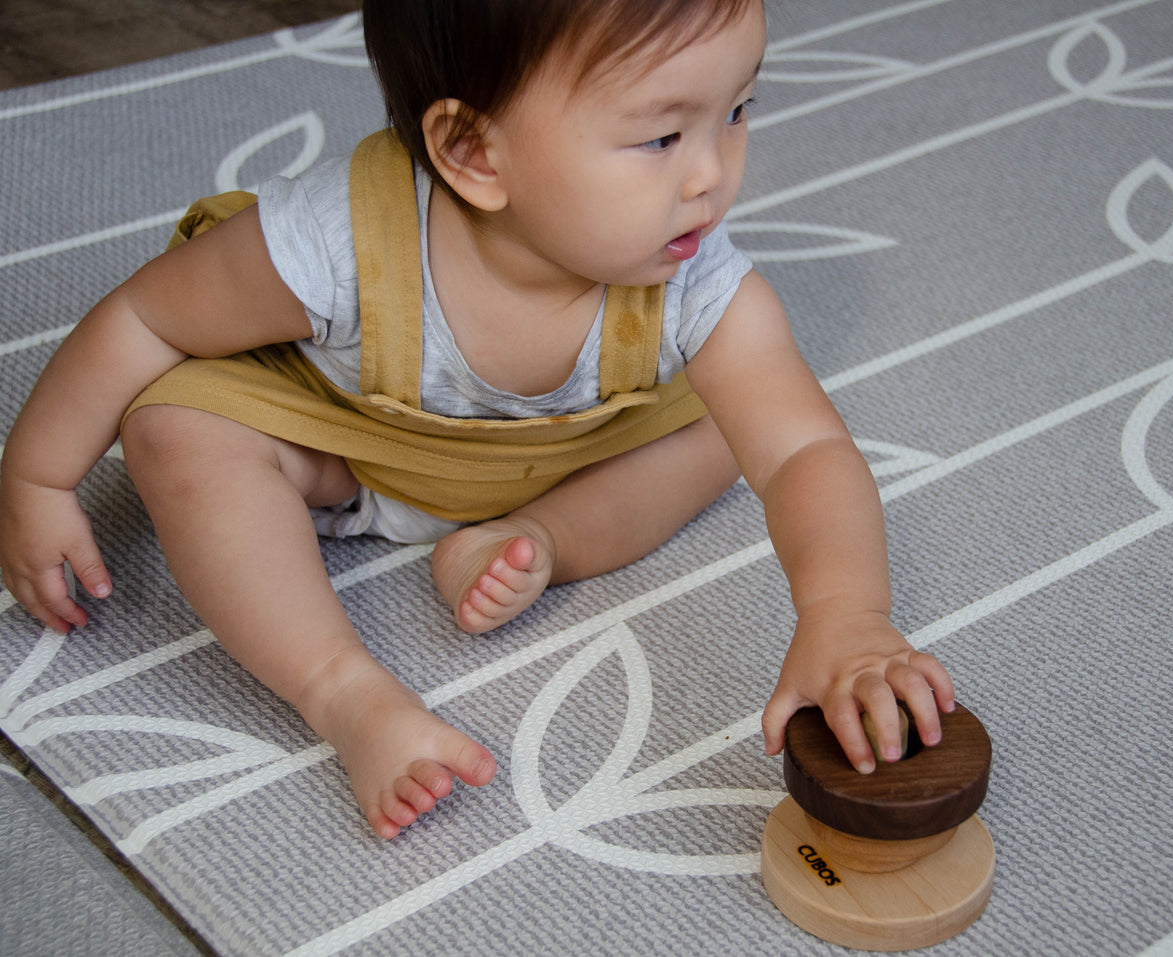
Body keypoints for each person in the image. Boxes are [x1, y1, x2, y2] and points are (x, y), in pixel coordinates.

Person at [0, 0, 955, 839]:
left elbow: (802, 452)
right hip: (352, 446)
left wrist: (846, 615)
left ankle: (536, 539)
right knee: (177, 430)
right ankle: (347, 693)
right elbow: (145, 316)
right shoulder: (336, 238)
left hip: (575, 458)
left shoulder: (694, 277)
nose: (711, 175)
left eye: (737, 109)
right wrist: (38, 475)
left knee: (726, 427)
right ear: (473, 151)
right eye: (662, 137)